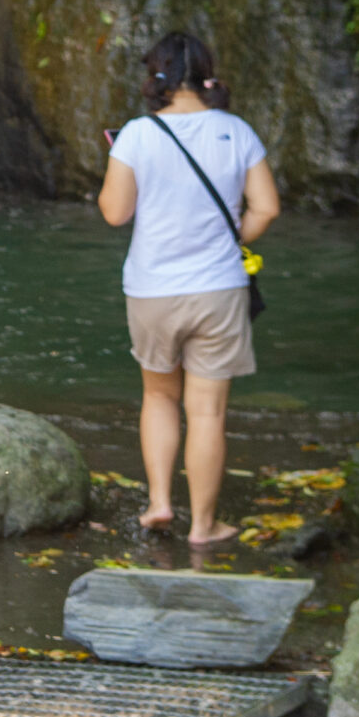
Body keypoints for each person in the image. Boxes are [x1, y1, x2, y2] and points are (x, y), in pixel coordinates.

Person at [97, 30, 280, 547]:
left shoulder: (136, 135)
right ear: (207, 71)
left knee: (158, 397)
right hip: (219, 289)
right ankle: (204, 526)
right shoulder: (236, 131)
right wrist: (228, 238)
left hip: (152, 288)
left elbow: (115, 213)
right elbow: (266, 207)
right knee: (207, 412)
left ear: (154, 77)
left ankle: (159, 502)